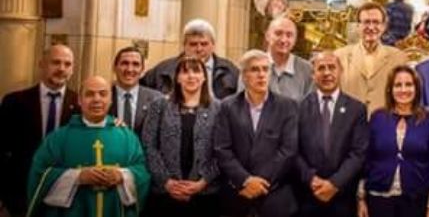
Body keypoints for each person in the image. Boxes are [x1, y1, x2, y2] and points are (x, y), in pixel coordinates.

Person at [26, 76, 150, 217]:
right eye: (89, 94)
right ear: (79, 100)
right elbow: (39, 175)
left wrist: (122, 176)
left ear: (110, 100)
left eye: (103, 94)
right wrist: (77, 177)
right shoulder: (58, 138)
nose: (96, 99)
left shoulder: (128, 137)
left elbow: (142, 171)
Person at [214, 50, 299, 217]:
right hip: (237, 194)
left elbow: (288, 150)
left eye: (265, 69)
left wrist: (258, 184)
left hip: (274, 196)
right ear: (244, 76)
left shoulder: (288, 106)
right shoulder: (227, 106)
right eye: (255, 70)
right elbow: (222, 149)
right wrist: (245, 180)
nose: (261, 75)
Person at [0, 44, 80, 217]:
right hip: (20, 195)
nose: (61, 69)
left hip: (65, 196)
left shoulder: (81, 104)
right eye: (56, 62)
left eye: (67, 64)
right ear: (41, 64)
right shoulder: (14, 102)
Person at [359, 65, 429, 217]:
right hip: (378, 199)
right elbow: (366, 158)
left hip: (415, 200)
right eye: (398, 85)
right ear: (390, 90)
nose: (403, 90)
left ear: (417, 88)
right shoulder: (377, 117)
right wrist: (360, 198)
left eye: (409, 84)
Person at [141, 56, 220, 216]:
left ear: (204, 77)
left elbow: (222, 150)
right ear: (177, 78)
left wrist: (202, 182)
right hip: (164, 195)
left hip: (205, 195)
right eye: (185, 72)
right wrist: (167, 182)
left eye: (196, 71)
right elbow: (149, 146)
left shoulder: (219, 109)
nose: (191, 76)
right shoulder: (159, 106)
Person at [296, 51, 369, 217]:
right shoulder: (299, 108)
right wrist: (311, 179)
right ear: (313, 75)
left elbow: (358, 153)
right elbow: (293, 150)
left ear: (340, 71)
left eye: (332, 67)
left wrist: (334, 184)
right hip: (308, 196)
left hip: (342, 197)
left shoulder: (357, 109)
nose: (327, 73)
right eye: (321, 68)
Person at [335, 2, 408, 115]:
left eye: (376, 22)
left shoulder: (398, 58)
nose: (371, 27)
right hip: (349, 124)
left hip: (385, 123)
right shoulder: (340, 56)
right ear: (358, 26)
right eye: (366, 22)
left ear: (383, 27)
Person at [142, 19, 239, 100]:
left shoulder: (230, 71)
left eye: (204, 44)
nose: (199, 49)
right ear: (184, 45)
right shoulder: (163, 70)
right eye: (193, 44)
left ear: (213, 45)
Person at [109, 46, 162, 136]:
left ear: (142, 70)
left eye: (136, 64)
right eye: (124, 63)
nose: (129, 69)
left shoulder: (157, 99)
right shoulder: (103, 96)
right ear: (115, 67)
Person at [266, 16, 314, 102]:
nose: (284, 40)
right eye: (278, 33)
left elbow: (310, 109)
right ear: (267, 36)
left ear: (295, 40)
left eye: (289, 35)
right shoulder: (251, 65)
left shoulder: (307, 70)